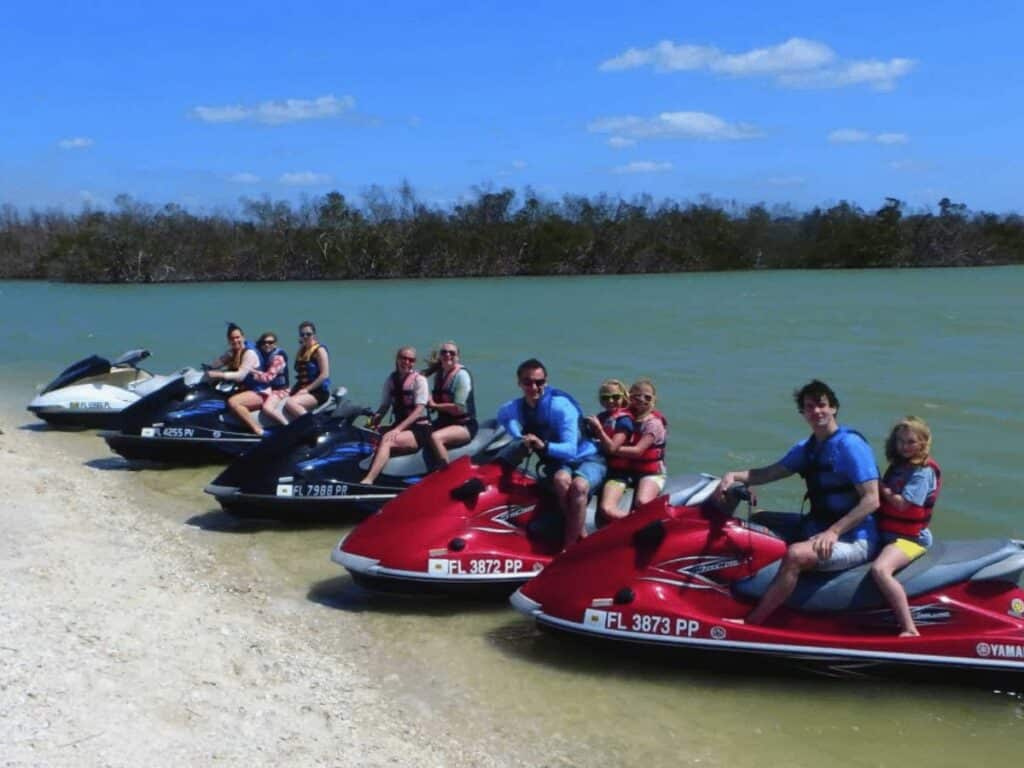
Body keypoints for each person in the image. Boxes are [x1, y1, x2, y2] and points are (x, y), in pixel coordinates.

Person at [717, 379, 880, 625]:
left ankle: (754, 621)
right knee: (757, 520)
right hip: (817, 526)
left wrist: (833, 532)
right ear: (802, 412)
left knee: (795, 555)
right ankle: (740, 589)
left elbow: (872, 500)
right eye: (809, 407)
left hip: (855, 538)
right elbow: (769, 473)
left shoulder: (851, 446)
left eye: (821, 405)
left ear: (834, 407)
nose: (816, 411)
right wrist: (733, 475)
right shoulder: (809, 447)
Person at [496, 359, 606, 548]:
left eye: (539, 382)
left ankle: (571, 546)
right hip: (561, 464)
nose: (534, 387)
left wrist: (542, 446)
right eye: (527, 382)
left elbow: (570, 449)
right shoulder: (517, 406)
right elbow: (503, 416)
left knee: (578, 487)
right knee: (561, 481)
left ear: (546, 382)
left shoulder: (560, 407)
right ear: (519, 383)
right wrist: (520, 435)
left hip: (587, 458)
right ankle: (579, 533)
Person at [870, 416, 941, 637]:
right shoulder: (899, 466)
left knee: (880, 571)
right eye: (901, 441)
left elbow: (903, 505)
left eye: (911, 442)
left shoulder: (923, 472)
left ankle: (909, 628)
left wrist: (879, 486)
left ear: (923, 443)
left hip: (909, 539)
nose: (905, 447)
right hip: (889, 533)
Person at [589, 378, 668, 521]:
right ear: (629, 397)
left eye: (647, 397)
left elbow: (638, 451)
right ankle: (630, 523)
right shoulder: (624, 418)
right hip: (626, 471)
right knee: (606, 508)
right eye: (636, 396)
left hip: (651, 473)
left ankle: (650, 525)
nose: (641, 400)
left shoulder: (653, 424)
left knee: (642, 502)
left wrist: (610, 449)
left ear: (654, 399)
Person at [359, 346, 431, 486]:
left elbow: (419, 410)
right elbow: (384, 406)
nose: (407, 362)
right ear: (397, 359)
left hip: (419, 430)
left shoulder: (419, 381)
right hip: (401, 427)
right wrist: (374, 421)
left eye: (411, 360)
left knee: (387, 440)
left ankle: (369, 479)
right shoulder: (391, 380)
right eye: (404, 358)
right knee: (366, 435)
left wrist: (397, 430)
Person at [209, 329, 288, 435]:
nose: (235, 340)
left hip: (261, 391)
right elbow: (218, 362)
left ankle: (259, 431)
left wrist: (220, 374)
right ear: (228, 340)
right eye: (232, 338)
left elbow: (240, 376)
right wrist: (207, 370)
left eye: (237, 337)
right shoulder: (233, 352)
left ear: (243, 337)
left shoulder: (249, 353)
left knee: (234, 402)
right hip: (248, 389)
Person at [426, 341, 477, 465]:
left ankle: (445, 471)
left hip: (463, 426)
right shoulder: (439, 375)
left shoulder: (462, 376)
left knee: (435, 437)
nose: (447, 355)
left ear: (457, 357)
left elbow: (459, 408)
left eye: (452, 353)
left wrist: (434, 405)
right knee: (420, 431)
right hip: (444, 422)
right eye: (444, 352)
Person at [283, 321, 332, 420]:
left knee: (290, 403)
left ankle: (313, 425)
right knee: (281, 398)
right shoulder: (302, 351)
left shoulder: (319, 350)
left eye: (308, 334)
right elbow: (301, 376)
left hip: (318, 392)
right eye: (302, 334)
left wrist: (306, 390)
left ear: (314, 335)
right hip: (303, 388)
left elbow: (324, 375)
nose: (305, 337)